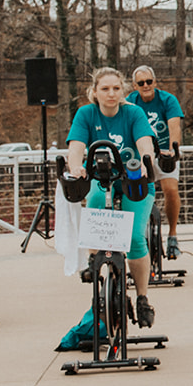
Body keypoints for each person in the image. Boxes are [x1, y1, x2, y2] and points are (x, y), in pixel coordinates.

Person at [68, 67, 159, 327]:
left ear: (123, 92)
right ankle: (94, 256)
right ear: (94, 92)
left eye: (116, 89)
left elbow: (145, 143)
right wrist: (76, 167)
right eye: (105, 89)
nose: (111, 94)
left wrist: (144, 162)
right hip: (102, 178)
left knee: (134, 238)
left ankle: (142, 298)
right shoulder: (86, 113)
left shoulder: (133, 112)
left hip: (133, 179)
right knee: (95, 200)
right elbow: (76, 148)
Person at [126, 66, 184, 258]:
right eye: (141, 83)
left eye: (149, 82)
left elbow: (174, 127)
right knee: (140, 193)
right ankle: (141, 235)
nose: (146, 86)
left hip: (163, 153)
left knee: (171, 190)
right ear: (135, 86)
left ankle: (173, 235)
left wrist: (171, 150)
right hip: (141, 155)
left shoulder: (168, 100)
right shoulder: (129, 103)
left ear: (155, 82)